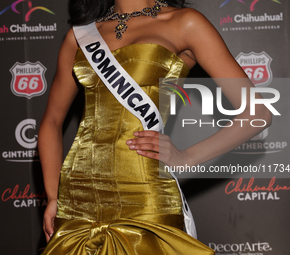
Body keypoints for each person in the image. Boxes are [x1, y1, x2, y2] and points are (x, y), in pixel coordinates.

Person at [38, 0, 272, 254]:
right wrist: (53, 197)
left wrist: (187, 157)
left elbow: (258, 113)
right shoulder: (80, 35)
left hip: (146, 192)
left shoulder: (185, 23)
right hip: (77, 198)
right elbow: (51, 121)